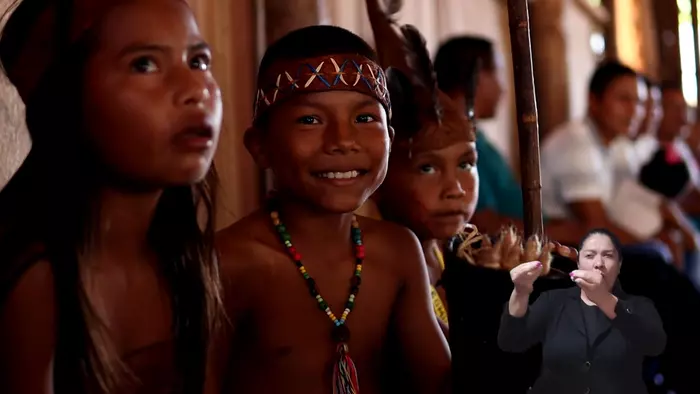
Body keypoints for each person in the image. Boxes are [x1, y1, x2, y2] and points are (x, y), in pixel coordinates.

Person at [211, 24, 450, 394]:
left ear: (391, 136)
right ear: (260, 146)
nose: (342, 141)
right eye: (310, 120)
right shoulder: (228, 262)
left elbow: (439, 384)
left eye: (365, 118)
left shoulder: (398, 251)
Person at [0, 1, 223, 393]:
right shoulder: (38, 282)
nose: (195, 90)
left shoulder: (183, 257)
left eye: (199, 61)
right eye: (144, 65)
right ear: (66, 99)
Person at [433, 36, 581, 246]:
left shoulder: (474, 135)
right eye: (498, 74)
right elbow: (481, 224)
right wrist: (556, 233)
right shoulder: (454, 141)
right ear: (478, 77)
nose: (503, 88)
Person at [498, 229, 666, 394]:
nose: (598, 263)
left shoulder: (639, 305)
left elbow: (653, 343)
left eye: (607, 256)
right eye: (589, 256)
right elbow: (512, 340)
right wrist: (520, 293)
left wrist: (604, 300)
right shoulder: (553, 301)